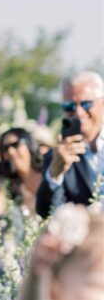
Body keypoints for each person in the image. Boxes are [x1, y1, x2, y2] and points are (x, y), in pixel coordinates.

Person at [37, 71, 104, 218]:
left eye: (86, 104)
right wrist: (55, 174)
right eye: (69, 106)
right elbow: (45, 212)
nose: (79, 112)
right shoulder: (59, 155)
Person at [0, 127, 44, 217]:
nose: (11, 152)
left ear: (29, 145)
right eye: (5, 148)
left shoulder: (47, 173)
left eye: (15, 145)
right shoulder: (9, 184)